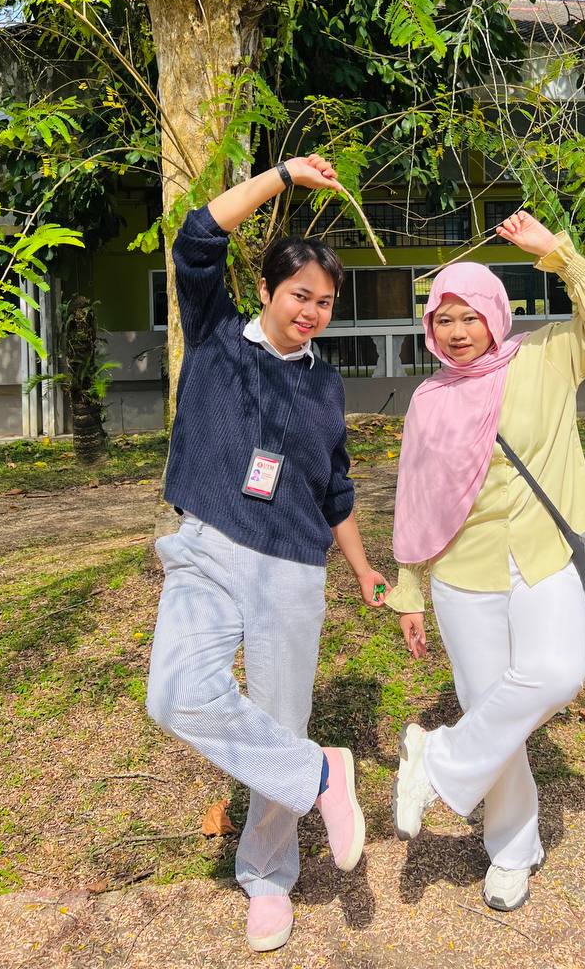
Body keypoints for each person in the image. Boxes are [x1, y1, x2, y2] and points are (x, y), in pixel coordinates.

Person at [145, 154, 388, 954]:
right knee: (176, 694)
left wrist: (362, 566)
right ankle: (321, 775)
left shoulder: (325, 385)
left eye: (325, 301)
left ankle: (269, 877)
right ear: (266, 290)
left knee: (282, 719)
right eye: (299, 295)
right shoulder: (217, 333)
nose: (311, 311)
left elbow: (334, 488)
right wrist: (283, 177)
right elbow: (197, 235)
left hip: (291, 565)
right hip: (209, 544)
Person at [386, 210, 585, 912]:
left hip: (543, 555)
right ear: (430, 327)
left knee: (557, 674)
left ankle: (439, 760)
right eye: (443, 320)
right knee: (495, 716)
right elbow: (414, 496)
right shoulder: (429, 400)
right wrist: (409, 589)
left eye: (469, 316)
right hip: (462, 573)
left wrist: (556, 252)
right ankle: (512, 852)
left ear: (495, 314)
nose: (457, 331)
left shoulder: (546, 358)